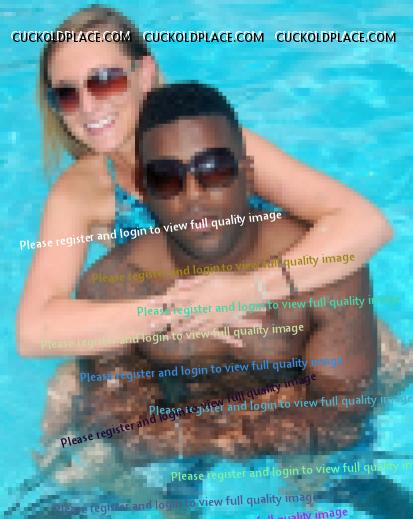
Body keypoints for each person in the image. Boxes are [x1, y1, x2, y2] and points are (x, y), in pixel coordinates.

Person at [17, 5, 392, 357]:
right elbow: (34, 332)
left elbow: (366, 224)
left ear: (144, 74)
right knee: (66, 389)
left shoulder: (216, 145)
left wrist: (250, 289)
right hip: (197, 343)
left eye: (104, 81)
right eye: (67, 93)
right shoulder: (81, 192)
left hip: (294, 321)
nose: (87, 106)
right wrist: (178, 311)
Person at [56, 82, 377, 462]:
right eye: (167, 177)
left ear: (248, 175)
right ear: (143, 188)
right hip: (191, 457)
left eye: (215, 171)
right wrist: (252, 425)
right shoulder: (114, 287)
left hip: (300, 458)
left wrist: (200, 432)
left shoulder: (326, 272)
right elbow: (120, 433)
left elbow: (345, 416)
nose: (194, 196)